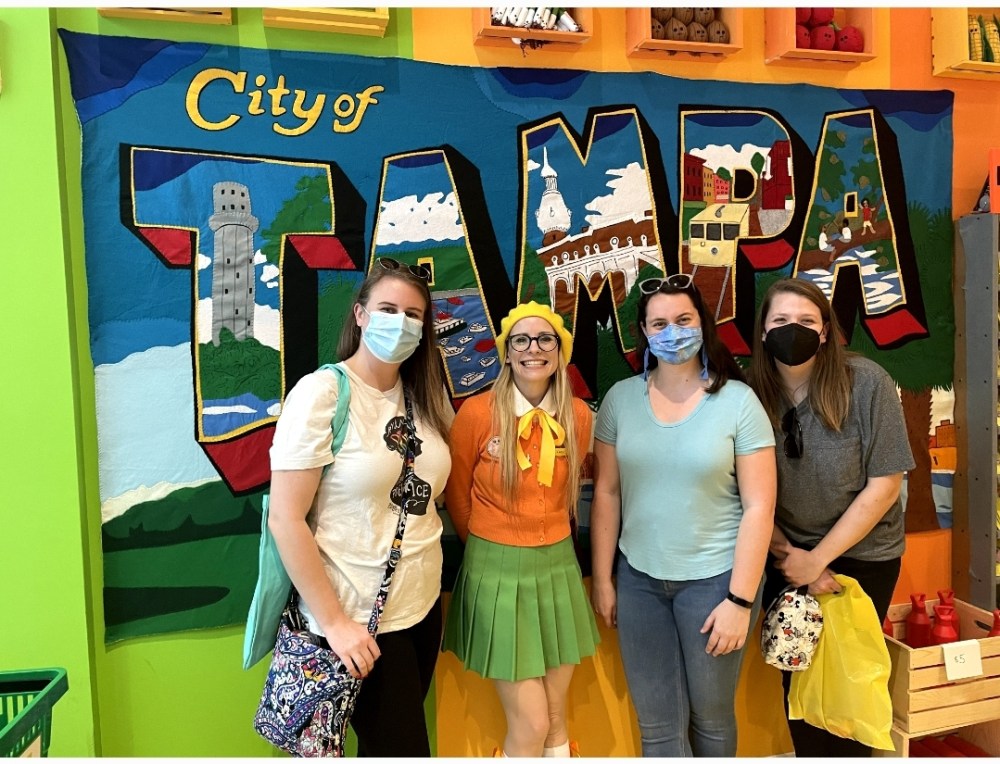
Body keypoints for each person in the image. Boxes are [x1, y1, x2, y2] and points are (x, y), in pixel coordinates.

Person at [267, 257, 453, 757]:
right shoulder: (323, 394)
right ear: (360, 315)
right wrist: (335, 624)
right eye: (389, 308)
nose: (402, 323)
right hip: (359, 623)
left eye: (415, 315)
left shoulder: (424, 395)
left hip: (420, 611)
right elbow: (285, 518)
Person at [590, 274, 776, 758]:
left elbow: (760, 506)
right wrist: (604, 579)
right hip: (639, 583)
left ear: (702, 323)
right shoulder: (619, 400)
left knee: (711, 722)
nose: (673, 332)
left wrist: (740, 598)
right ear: (645, 333)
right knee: (657, 727)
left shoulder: (738, 402)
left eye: (683, 320)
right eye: (660, 323)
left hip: (716, 585)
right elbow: (607, 493)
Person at [747, 277, 914, 758]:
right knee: (796, 686)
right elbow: (742, 491)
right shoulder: (748, 393)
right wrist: (793, 558)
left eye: (805, 321)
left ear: (824, 331)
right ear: (762, 330)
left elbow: (885, 484)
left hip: (864, 560)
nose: (791, 330)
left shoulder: (867, 384)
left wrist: (820, 559)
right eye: (780, 320)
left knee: (847, 686)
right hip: (786, 560)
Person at [442, 301, 600, 758]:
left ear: (560, 351)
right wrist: (494, 548)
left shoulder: (578, 417)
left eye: (545, 339)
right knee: (530, 723)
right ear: (507, 353)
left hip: (557, 569)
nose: (534, 349)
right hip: (497, 571)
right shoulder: (477, 414)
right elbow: (457, 496)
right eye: (521, 340)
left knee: (555, 719)